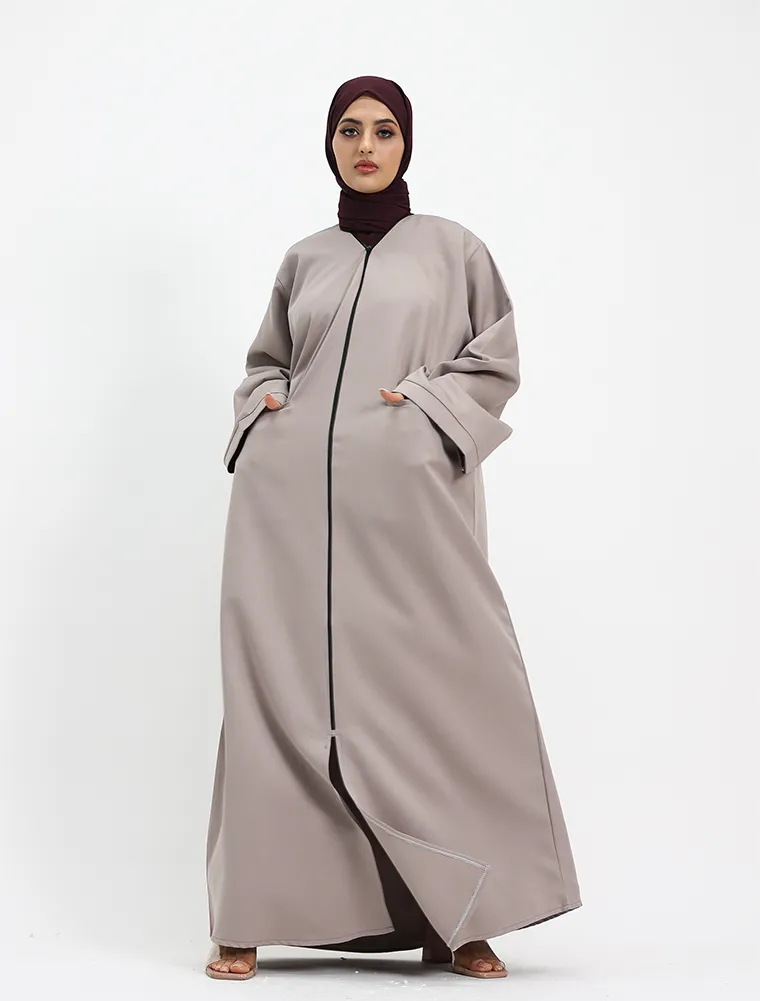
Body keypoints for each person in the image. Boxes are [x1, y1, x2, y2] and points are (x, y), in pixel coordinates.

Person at [205, 75, 582, 982]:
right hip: (289, 516)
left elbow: (494, 362)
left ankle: (466, 913)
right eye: (349, 130)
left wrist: (422, 417)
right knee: (278, 699)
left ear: (407, 143)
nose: (365, 145)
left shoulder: (453, 249)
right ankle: (250, 909)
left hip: (410, 506)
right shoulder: (306, 258)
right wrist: (267, 413)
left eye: (383, 130)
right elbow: (266, 362)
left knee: (441, 689)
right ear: (330, 144)